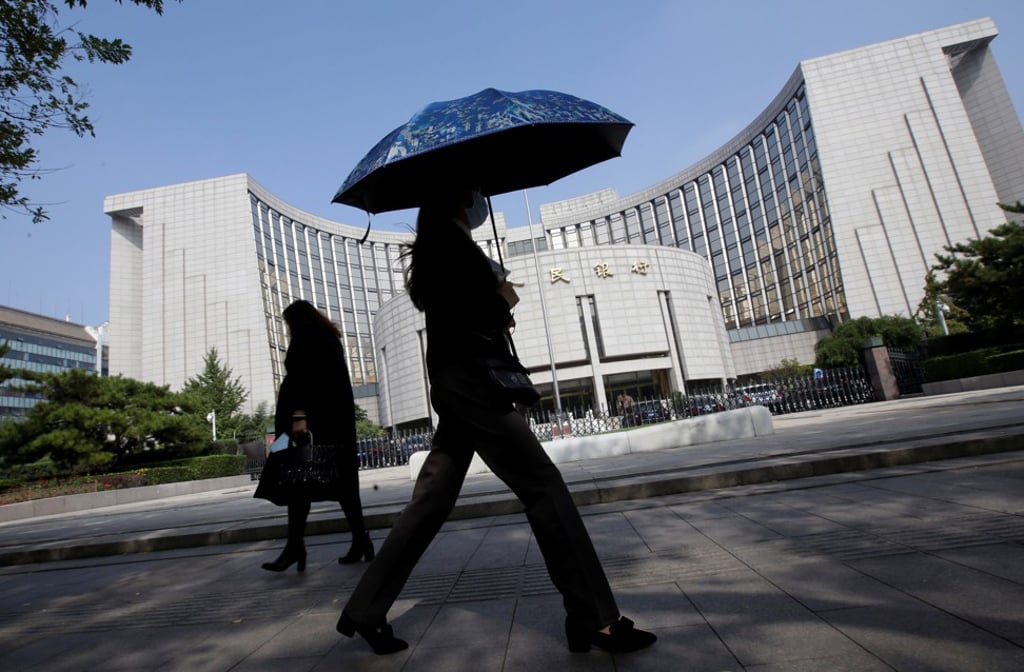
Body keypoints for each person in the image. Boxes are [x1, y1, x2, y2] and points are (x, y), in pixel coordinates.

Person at [336, 190, 657, 655]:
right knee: (543, 486)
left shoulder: (437, 244)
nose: (480, 199)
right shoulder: (452, 245)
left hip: (457, 382)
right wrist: (503, 298)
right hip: (473, 383)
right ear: (460, 199)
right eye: (476, 191)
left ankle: (365, 609)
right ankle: (594, 618)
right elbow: (476, 313)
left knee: (431, 500)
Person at [259, 300, 373, 572]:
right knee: (342, 485)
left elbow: (302, 382)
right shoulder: (329, 339)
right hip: (332, 427)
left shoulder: (306, 340)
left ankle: (295, 548)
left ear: (296, 321)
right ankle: (360, 541)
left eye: (288, 324)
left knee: (295, 483)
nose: (287, 329)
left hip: (306, 428)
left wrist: (298, 417)